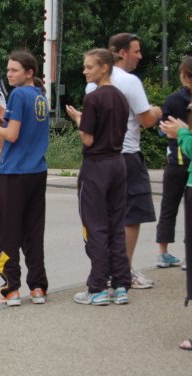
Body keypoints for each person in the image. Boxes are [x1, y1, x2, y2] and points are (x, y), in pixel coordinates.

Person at [86, 33, 163, 289]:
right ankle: (124, 271)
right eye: (136, 51)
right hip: (126, 154)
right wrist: (156, 111)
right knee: (130, 215)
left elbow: (89, 128)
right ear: (121, 53)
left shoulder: (92, 84)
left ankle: (104, 271)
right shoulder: (129, 82)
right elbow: (146, 119)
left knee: (102, 217)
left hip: (99, 158)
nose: (140, 56)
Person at [0, 50, 49, 306]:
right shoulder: (39, 95)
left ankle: (11, 289)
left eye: (14, 70)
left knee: (6, 231)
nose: (9, 74)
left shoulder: (18, 94)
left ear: (29, 72)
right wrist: (4, 114)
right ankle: (38, 287)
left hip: (14, 173)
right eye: (7, 70)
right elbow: (25, 125)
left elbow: (12, 135)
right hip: (36, 171)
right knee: (33, 230)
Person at [65, 49, 132, 305]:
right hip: (118, 162)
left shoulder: (93, 98)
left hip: (96, 166)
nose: (85, 71)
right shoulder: (121, 97)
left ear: (104, 67)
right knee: (116, 225)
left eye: (89, 67)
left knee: (95, 226)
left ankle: (98, 288)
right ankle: (121, 285)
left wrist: (78, 119)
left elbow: (88, 138)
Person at [160, 59, 192, 351]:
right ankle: (164, 251)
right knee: (170, 209)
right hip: (182, 169)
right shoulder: (178, 99)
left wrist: (182, 133)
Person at [156, 56, 192, 269]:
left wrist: (168, 130)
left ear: (183, 75)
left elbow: (162, 129)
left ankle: (163, 253)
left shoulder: (172, 100)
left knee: (168, 207)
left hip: (176, 160)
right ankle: (191, 255)